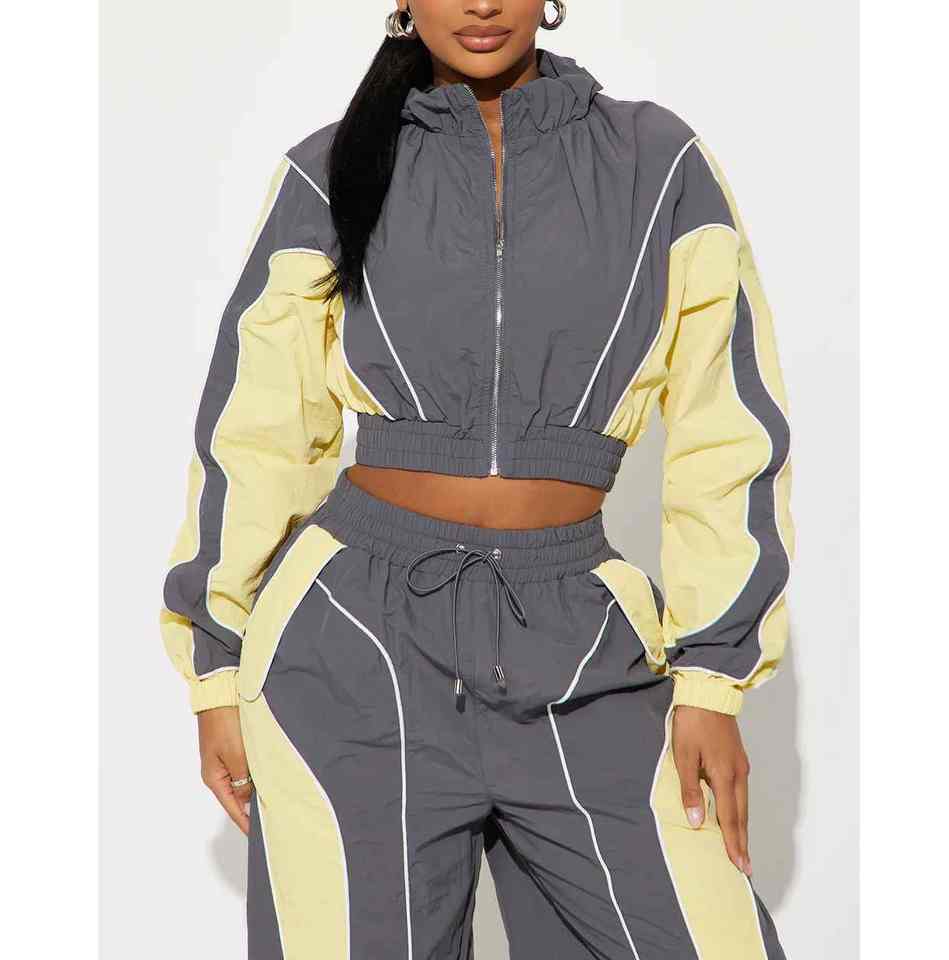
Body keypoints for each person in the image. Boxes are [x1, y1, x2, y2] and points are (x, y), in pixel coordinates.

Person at [160, 2, 794, 957]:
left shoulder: (657, 162)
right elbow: (254, 429)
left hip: (581, 640)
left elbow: (727, 426)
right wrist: (216, 668)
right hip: (352, 647)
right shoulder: (329, 168)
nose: (482, 4)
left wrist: (711, 678)